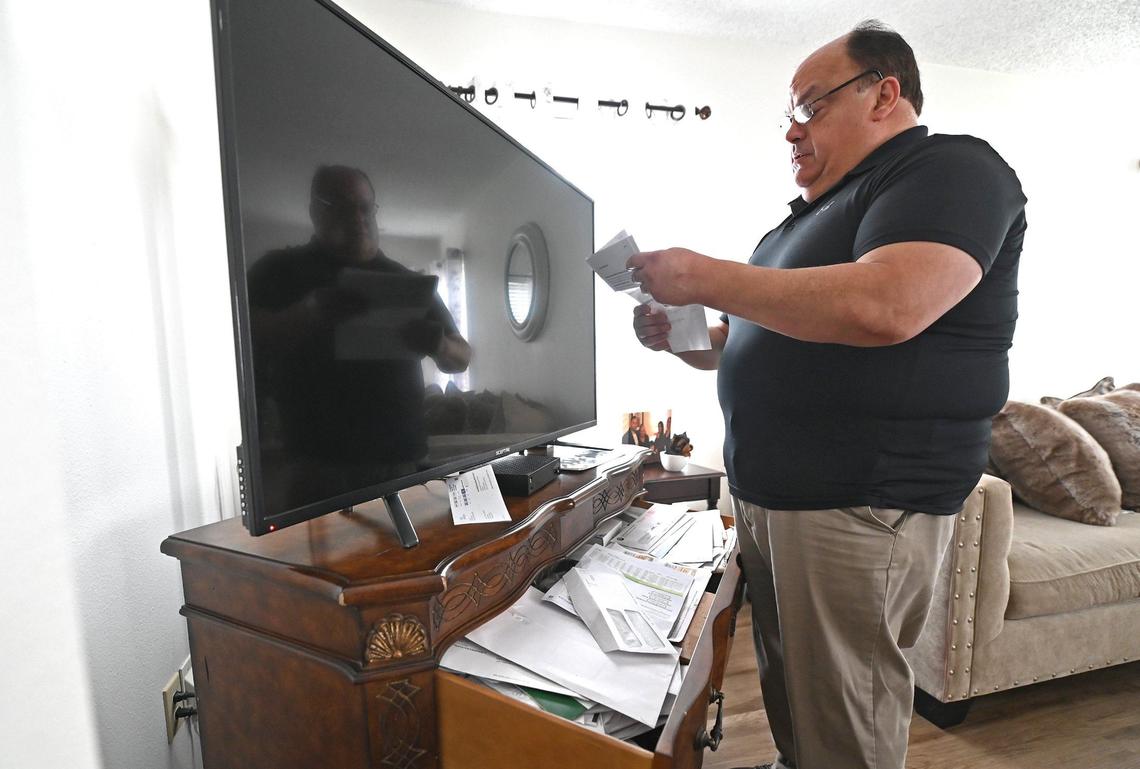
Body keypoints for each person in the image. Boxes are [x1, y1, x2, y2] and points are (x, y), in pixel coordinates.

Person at [629, 21, 1025, 769]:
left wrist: (704, 275)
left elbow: (887, 306)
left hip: (860, 500)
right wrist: (681, 335)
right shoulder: (807, 220)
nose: (791, 131)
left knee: (846, 726)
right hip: (780, 497)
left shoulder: (953, 170)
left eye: (810, 106)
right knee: (801, 707)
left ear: (884, 94)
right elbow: (749, 346)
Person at [248, 164, 471, 511]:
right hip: (316, 464)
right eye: (341, 206)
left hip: (401, 459)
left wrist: (438, 344)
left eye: (365, 207)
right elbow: (241, 340)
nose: (358, 217)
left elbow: (462, 357)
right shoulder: (279, 270)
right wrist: (307, 313)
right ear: (315, 212)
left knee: (405, 561)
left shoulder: (406, 282)